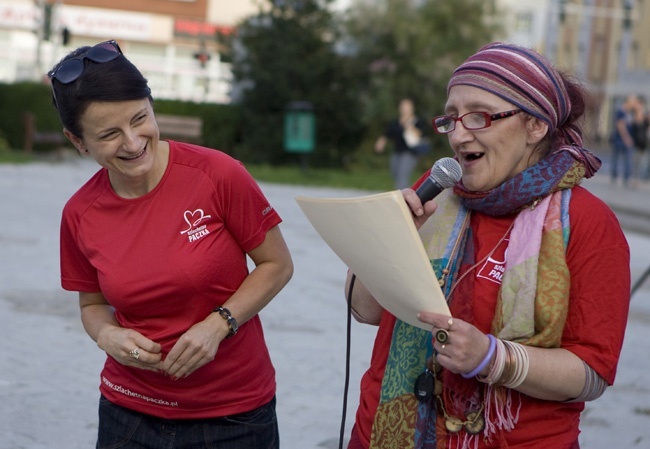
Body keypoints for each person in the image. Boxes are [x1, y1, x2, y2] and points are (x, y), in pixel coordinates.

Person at [345, 42, 630, 449]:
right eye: (451, 119)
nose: (459, 135)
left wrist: (493, 358)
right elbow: (364, 309)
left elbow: (591, 373)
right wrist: (388, 237)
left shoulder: (587, 223)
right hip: (382, 434)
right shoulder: (436, 190)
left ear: (535, 126)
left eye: (478, 116)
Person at [49, 40, 293, 448]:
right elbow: (92, 306)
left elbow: (277, 265)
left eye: (140, 118)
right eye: (109, 134)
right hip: (127, 415)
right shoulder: (79, 214)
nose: (132, 142)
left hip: (234, 416)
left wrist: (219, 324)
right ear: (78, 142)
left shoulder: (217, 174)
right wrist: (107, 336)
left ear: (150, 103)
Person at [374, 98, 430, 189]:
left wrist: (409, 126)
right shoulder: (396, 122)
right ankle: (408, 193)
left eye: (407, 107)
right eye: (403, 107)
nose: (405, 109)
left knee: (402, 177)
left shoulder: (416, 121)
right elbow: (388, 133)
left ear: (412, 108)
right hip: (397, 152)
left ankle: (402, 199)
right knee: (395, 173)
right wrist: (381, 142)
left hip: (410, 153)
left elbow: (421, 134)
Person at [610, 94, 639, 187]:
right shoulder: (621, 111)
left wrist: (638, 110)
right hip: (620, 140)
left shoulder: (630, 112)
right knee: (618, 159)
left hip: (626, 140)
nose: (635, 103)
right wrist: (627, 138)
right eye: (634, 101)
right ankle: (615, 176)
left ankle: (626, 177)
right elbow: (620, 126)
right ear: (629, 101)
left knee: (627, 160)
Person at [630, 96, 650, 183]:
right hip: (635, 143)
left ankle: (639, 178)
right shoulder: (634, 118)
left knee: (642, 163)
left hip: (643, 143)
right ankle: (635, 178)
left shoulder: (645, 119)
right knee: (635, 162)